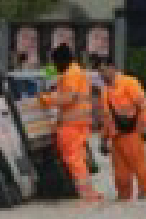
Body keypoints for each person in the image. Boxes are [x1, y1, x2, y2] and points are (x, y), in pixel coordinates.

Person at [39, 43, 101, 201]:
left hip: (71, 126)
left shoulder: (70, 74)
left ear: (61, 60)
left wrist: (47, 99)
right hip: (78, 124)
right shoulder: (75, 72)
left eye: (55, 62)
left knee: (73, 159)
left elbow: (69, 98)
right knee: (78, 159)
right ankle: (88, 192)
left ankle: (86, 193)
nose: (54, 66)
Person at [98, 60, 146, 201]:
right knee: (120, 175)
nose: (101, 75)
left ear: (112, 68)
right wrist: (103, 139)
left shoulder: (129, 83)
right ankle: (124, 199)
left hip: (132, 135)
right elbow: (106, 118)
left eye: (103, 70)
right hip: (116, 138)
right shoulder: (104, 91)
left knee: (141, 168)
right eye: (100, 72)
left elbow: (144, 105)